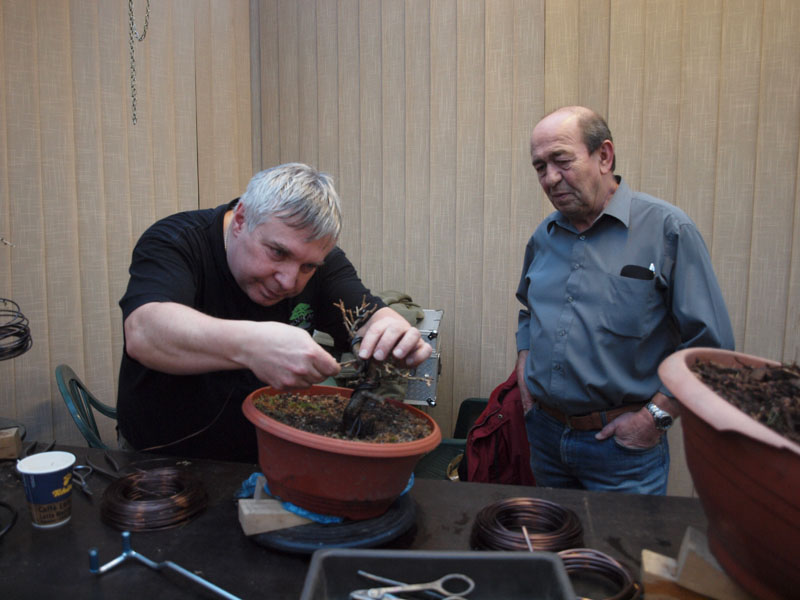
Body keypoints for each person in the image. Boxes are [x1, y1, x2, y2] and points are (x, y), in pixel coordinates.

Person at [117, 163, 432, 462]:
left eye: (308, 266)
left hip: (265, 455)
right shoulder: (177, 240)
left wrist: (391, 328)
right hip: (159, 456)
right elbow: (145, 331)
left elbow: (367, 312)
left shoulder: (320, 262)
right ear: (241, 220)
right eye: (278, 253)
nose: (289, 281)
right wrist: (253, 345)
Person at [516, 106, 735, 494]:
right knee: (555, 534)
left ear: (604, 156)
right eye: (540, 167)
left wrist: (655, 419)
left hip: (623, 452)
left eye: (562, 161)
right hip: (546, 439)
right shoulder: (544, 236)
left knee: (624, 538)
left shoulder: (668, 230)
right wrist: (526, 386)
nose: (550, 178)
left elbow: (710, 347)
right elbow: (529, 314)